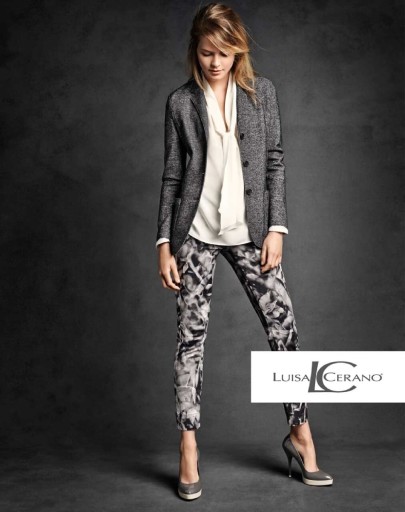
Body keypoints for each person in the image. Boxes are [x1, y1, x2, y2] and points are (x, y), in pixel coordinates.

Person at [156, 2, 333, 500]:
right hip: (194, 234)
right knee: (190, 340)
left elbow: (274, 161)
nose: (215, 62)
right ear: (195, 50)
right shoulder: (179, 103)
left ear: (238, 52)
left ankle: (300, 435)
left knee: (284, 329)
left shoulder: (262, 93)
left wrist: (276, 227)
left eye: (225, 52)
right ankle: (188, 447)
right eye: (206, 52)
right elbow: (172, 176)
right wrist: (164, 242)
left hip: (250, 233)